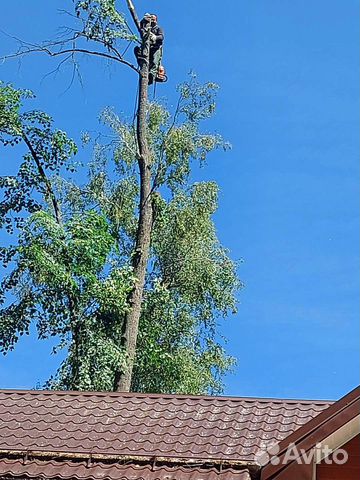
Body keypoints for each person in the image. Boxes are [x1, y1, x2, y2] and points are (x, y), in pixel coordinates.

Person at [135, 13, 166, 84]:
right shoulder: (146, 28)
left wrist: (155, 37)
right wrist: (144, 20)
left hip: (155, 48)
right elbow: (140, 26)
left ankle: (152, 75)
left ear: (156, 21)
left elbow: (161, 37)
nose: (152, 21)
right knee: (136, 50)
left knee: (155, 61)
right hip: (147, 48)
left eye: (153, 19)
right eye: (151, 19)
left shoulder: (158, 28)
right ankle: (142, 63)